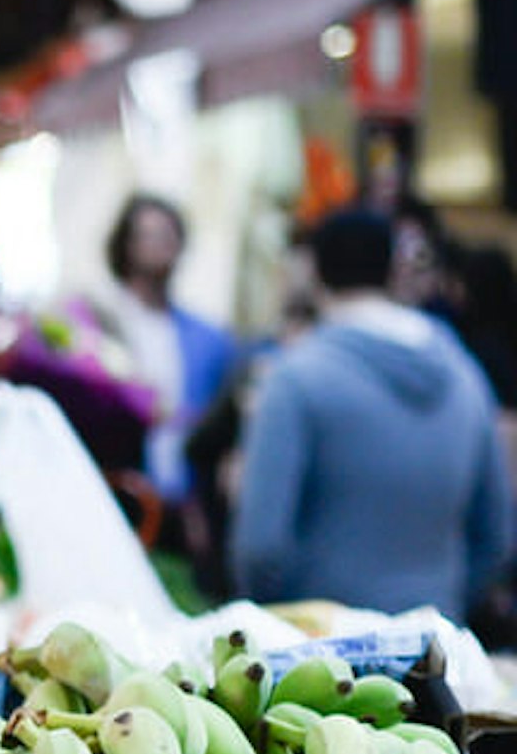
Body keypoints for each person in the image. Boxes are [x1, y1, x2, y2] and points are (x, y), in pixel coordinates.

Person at [232, 207, 516, 621]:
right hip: (434, 649)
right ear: (392, 270)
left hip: (324, 664)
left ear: (313, 272)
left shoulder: (294, 379)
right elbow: (496, 537)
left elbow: (260, 549)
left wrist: (294, 617)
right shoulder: (465, 375)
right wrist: (439, 604)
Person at [90, 194, 238, 512]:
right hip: (118, 490)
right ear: (126, 245)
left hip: (184, 501)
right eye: (150, 235)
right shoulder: (98, 322)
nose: (162, 245)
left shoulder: (207, 338)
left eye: (170, 235)